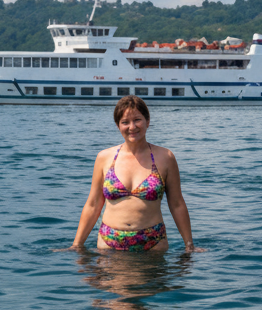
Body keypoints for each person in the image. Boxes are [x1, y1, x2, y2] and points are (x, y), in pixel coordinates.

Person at [71, 95, 198, 253]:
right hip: (109, 242)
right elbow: (93, 204)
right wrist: (77, 245)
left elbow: (177, 203)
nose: (132, 127)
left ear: (147, 121)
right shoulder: (104, 157)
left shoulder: (166, 157)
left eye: (137, 120)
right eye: (125, 122)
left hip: (153, 242)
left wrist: (189, 245)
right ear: (118, 125)